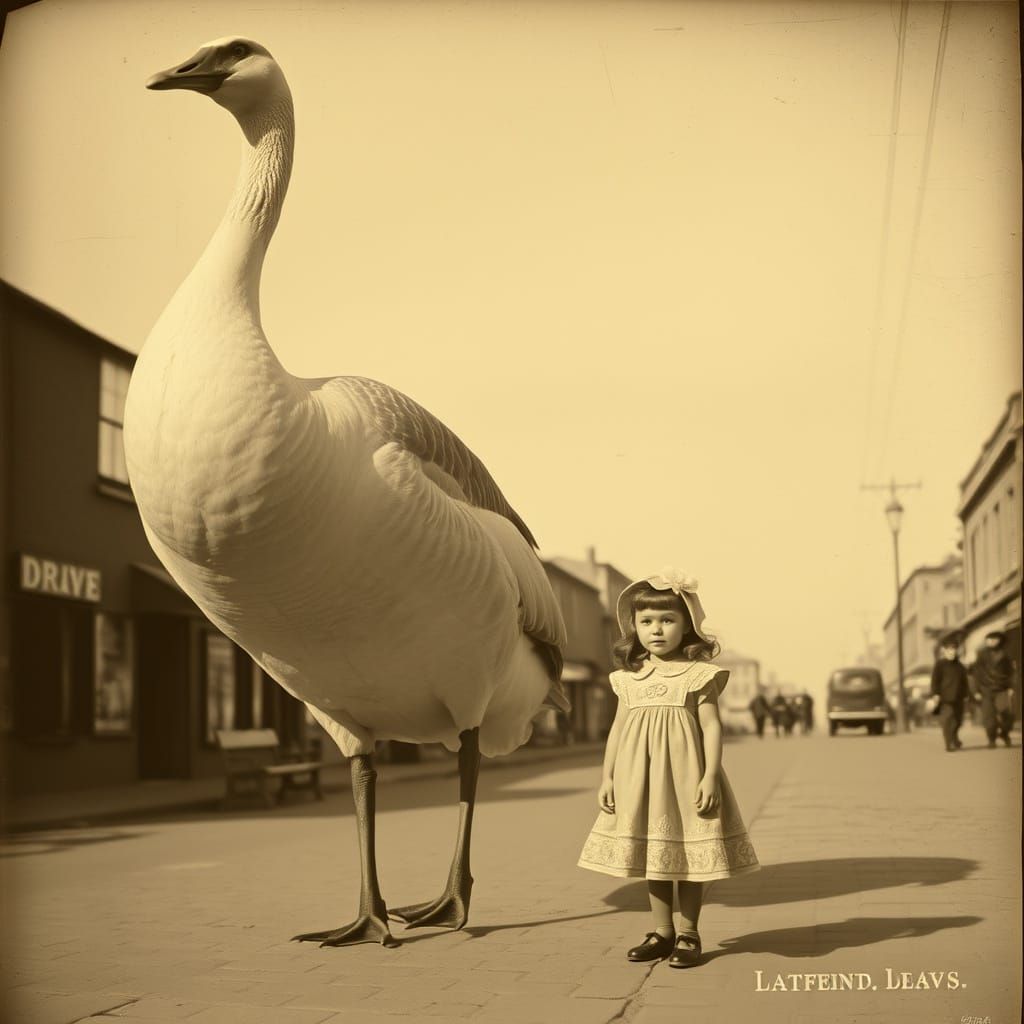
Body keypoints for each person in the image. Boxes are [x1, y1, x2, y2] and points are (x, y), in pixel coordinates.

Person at [577, 569, 759, 969]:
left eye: (667, 620)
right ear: (634, 627)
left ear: (687, 626)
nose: (656, 630)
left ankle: (689, 932)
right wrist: (606, 777)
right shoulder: (629, 678)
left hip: (686, 777)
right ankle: (662, 931)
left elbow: (711, 726)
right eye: (646, 622)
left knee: (691, 857)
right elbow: (618, 729)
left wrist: (710, 774)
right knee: (654, 855)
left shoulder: (699, 675)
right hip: (640, 779)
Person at [971, 631, 1015, 748]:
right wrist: (976, 691)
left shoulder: (1006, 654)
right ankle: (991, 740)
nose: (992, 641)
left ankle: (1004, 734)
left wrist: (1011, 687)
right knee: (989, 718)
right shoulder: (981, 655)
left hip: (1001, 689)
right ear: (986, 641)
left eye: (995, 639)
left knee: (1007, 715)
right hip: (986, 690)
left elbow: (1011, 672)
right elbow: (976, 674)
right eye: (989, 639)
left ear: (999, 640)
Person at [930, 639, 969, 752]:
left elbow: (964, 682)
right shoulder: (940, 664)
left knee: (957, 721)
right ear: (945, 651)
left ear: (957, 651)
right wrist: (935, 694)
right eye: (949, 650)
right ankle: (949, 744)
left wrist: (966, 694)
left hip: (959, 698)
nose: (952, 652)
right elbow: (935, 680)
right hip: (945, 698)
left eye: (954, 650)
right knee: (947, 721)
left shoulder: (960, 666)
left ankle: (954, 738)